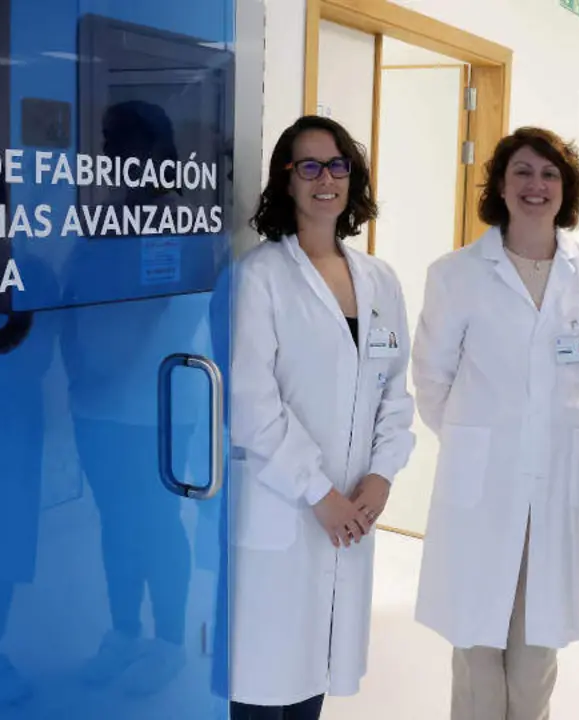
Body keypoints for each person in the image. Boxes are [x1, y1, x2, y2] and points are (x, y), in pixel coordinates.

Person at [412, 127, 579, 719]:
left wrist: (557, 436)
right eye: (523, 173)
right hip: (482, 483)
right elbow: (431, 379)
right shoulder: (456, 273)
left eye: (550, 174)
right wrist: (481, 443)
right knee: (477, 645)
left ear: (567, 189)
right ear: (501, 187)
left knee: (536, 653)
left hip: (558, 480)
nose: (537, 185)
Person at [228, 115, 417, 719]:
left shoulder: (380, 280)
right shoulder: (259, 277)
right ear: (286, 181)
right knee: (264, 682)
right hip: (286, 505)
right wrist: (319, 492)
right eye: (308, 166)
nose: (325, 179)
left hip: (352, 509)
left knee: (315, 675)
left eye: (337, 165)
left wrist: (382, 475)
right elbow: (251, 405)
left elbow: (395, 393)